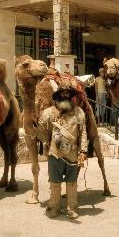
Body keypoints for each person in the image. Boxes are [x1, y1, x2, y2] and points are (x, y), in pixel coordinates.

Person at [37, 86, 88, 219]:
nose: (65, 95)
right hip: (55, 154)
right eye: (62, 93)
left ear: (71, 96)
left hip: (72, 154)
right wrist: (46, 140)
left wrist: (83, 150)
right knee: (55, 182)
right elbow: (41, 131)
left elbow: (83, 133)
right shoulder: (49, 112)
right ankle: (54, 207)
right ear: (58, 96)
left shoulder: (79, 112)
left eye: (68, 93)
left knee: (72, 182)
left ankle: (71, 208)